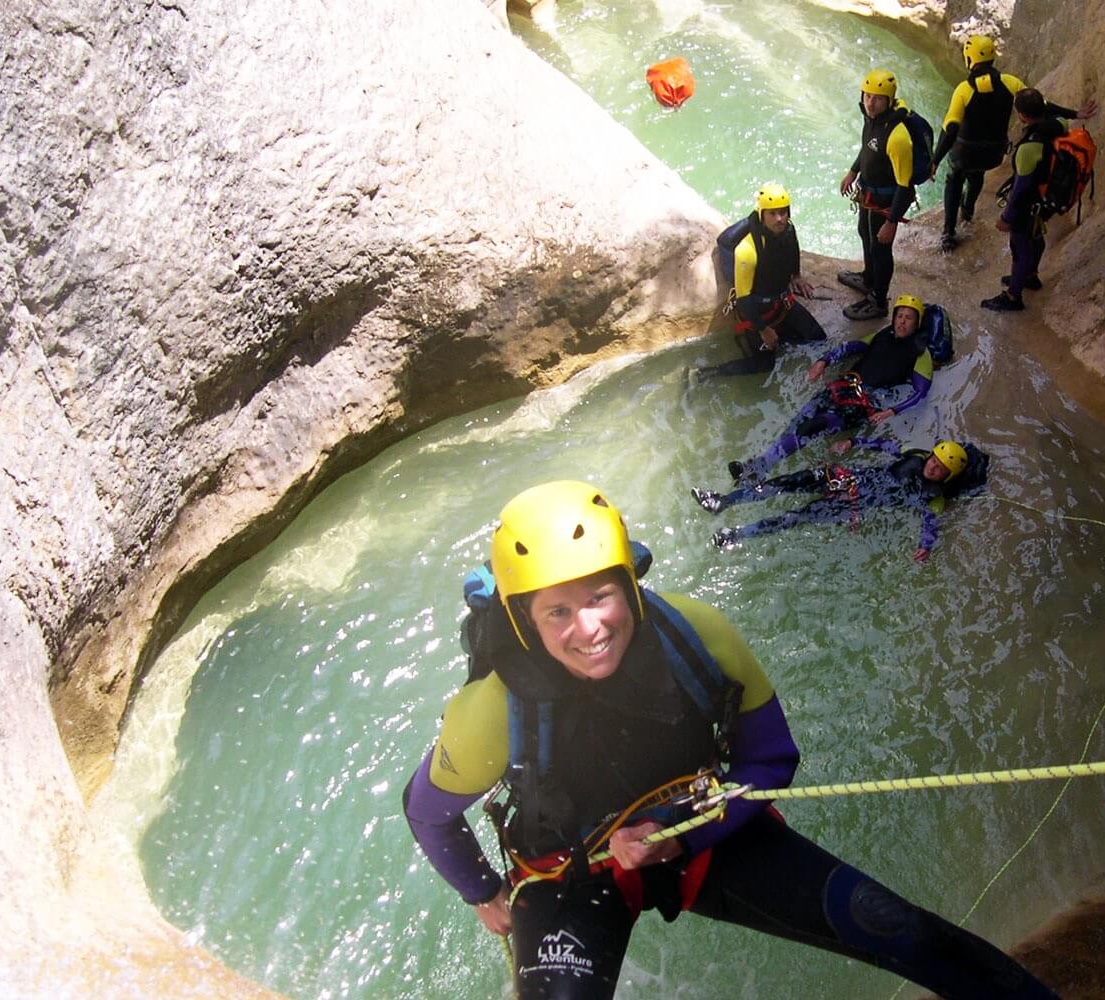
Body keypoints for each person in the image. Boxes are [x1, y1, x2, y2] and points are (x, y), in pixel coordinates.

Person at [402, 481, 1058, 1000]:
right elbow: (426, 810)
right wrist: (482, 890)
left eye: (601, 595)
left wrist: (681, 838)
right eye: (558, 612)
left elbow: (772, 759)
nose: (591, 628)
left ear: (629, 583)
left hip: (702, 831)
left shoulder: (698, 635)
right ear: (522, 620)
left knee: (894, 925)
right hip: (568, 876)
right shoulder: (491, 709)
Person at [725, 295, 935, 482]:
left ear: (917, 324)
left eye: (909, 318)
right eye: (900, 316)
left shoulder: (920, 354)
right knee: (799, 421)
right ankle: (761, 466)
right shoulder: (882, 335)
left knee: (812, 426)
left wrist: (891, 411)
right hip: (841, 387)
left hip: (862, 404)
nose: (902, 322)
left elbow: (920, 393)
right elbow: (851, 347)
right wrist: (823, 361)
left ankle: (760, 468)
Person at [696, 437, 980, 562]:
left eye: (940, 468)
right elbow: (884, 445)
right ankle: (723, 501)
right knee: (781, 484)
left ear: (946, 476)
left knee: (792, 518)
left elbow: (931, 522)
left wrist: (925, 547)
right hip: (842, 476)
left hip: (851, 504)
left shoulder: (934, 497)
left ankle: (735, 535)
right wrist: (852, 442)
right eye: (935, 459)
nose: (933, 466)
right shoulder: (914, 455)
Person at [931, 36, 1094, 252]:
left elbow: (951, 128)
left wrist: (935, 160)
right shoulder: (1010, 83)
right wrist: (1075, 113)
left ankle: (949, 233)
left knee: (954, 179)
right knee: (977, 174)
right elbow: (1040, 105)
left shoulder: (964, 90)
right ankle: (968, 211)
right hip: (994, 154)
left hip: (964, 152)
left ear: (969, 58)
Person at [697, 183, 827, 380]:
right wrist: (764, 330)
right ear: (762, 215)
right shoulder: (746, 251)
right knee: (764, 364)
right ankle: (704, 374)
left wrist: (797, 275)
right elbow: (744, 299)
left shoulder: (788, 230)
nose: (780, 219)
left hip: (781, 303)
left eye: (783, 212)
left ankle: (781, 336)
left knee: (818, 338)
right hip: (756, 311)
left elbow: (793, 249)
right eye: (772, 214)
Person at [982, 88, 1091, 312]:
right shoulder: (1058, 124)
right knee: (1036, 237)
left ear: (1022, 115)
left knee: (1020, 246)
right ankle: (1030, 275)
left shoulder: (1029, 148)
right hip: (1048, 197)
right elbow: (1051, 109)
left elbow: (1021, 189)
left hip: (1030, 203)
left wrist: (1006, 218)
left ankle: (1013, 296)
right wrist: (1076, 114)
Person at [837, 69, 919, 321]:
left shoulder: (898, 137)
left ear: (890, 100)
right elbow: (868, 149)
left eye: (878, 98)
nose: (870, 102)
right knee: (865, 232)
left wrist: (892, 222)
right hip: (868, 193)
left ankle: (878, 300)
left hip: (885, 201)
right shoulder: (871, 119)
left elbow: (905, 187)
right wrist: (853, 171)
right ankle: (869, 277)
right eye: (867, 96)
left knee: (881, 248)